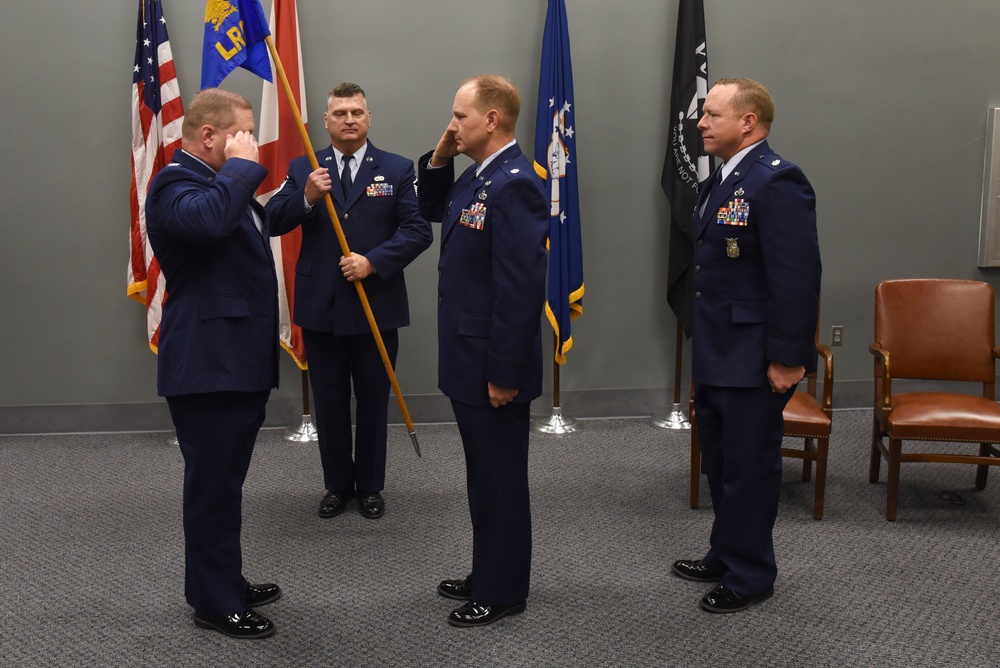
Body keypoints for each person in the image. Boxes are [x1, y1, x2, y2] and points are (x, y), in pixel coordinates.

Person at [672, 78, 821, 613]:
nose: (701, 123)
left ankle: (751, 574)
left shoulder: (776, 182)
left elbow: (797, 277)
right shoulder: (723, 180)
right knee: (721, 460)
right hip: (718, 351)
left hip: (756, 358)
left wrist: (788, 358)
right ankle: (726, 550)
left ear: (748, 122)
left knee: (750, 468)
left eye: (712, 114)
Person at [145, 88, 281, 639]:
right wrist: (244, 169)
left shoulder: (217, 183)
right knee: (213, 488)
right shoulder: (174, 184)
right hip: (207, 366)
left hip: (235, 361)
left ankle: (224, 577)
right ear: (210, 136)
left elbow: (245, 229)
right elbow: (206, 224)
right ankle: (213, 601)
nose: (251, 142)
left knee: (227, 483)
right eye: (242, 132)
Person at [266, 83, 432, 520]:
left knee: (375, 397)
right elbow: (272, 221)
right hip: (322, 306)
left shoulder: (397, 169)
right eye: (339, 113)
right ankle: (337, 485)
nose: (349, 120)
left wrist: (372, 262)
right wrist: (305, 196)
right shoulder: (305, 165)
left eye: (357, 112)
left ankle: (371, 486)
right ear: (326, 121)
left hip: (375, 303)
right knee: (330, 399)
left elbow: (418, 231)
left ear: (369, 118)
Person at [417, 75, 548, 628]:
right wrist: (442, 154)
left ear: (492, 120)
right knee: (483, 476)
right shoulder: (480, 177)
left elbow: (519, 291)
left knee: (499, 479)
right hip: (470, 357)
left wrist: (504, 373)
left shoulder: (516, 183)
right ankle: (487, 569)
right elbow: (431, 207)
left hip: (493, 365)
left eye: (460, 116)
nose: (452, 124)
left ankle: (503, 590)